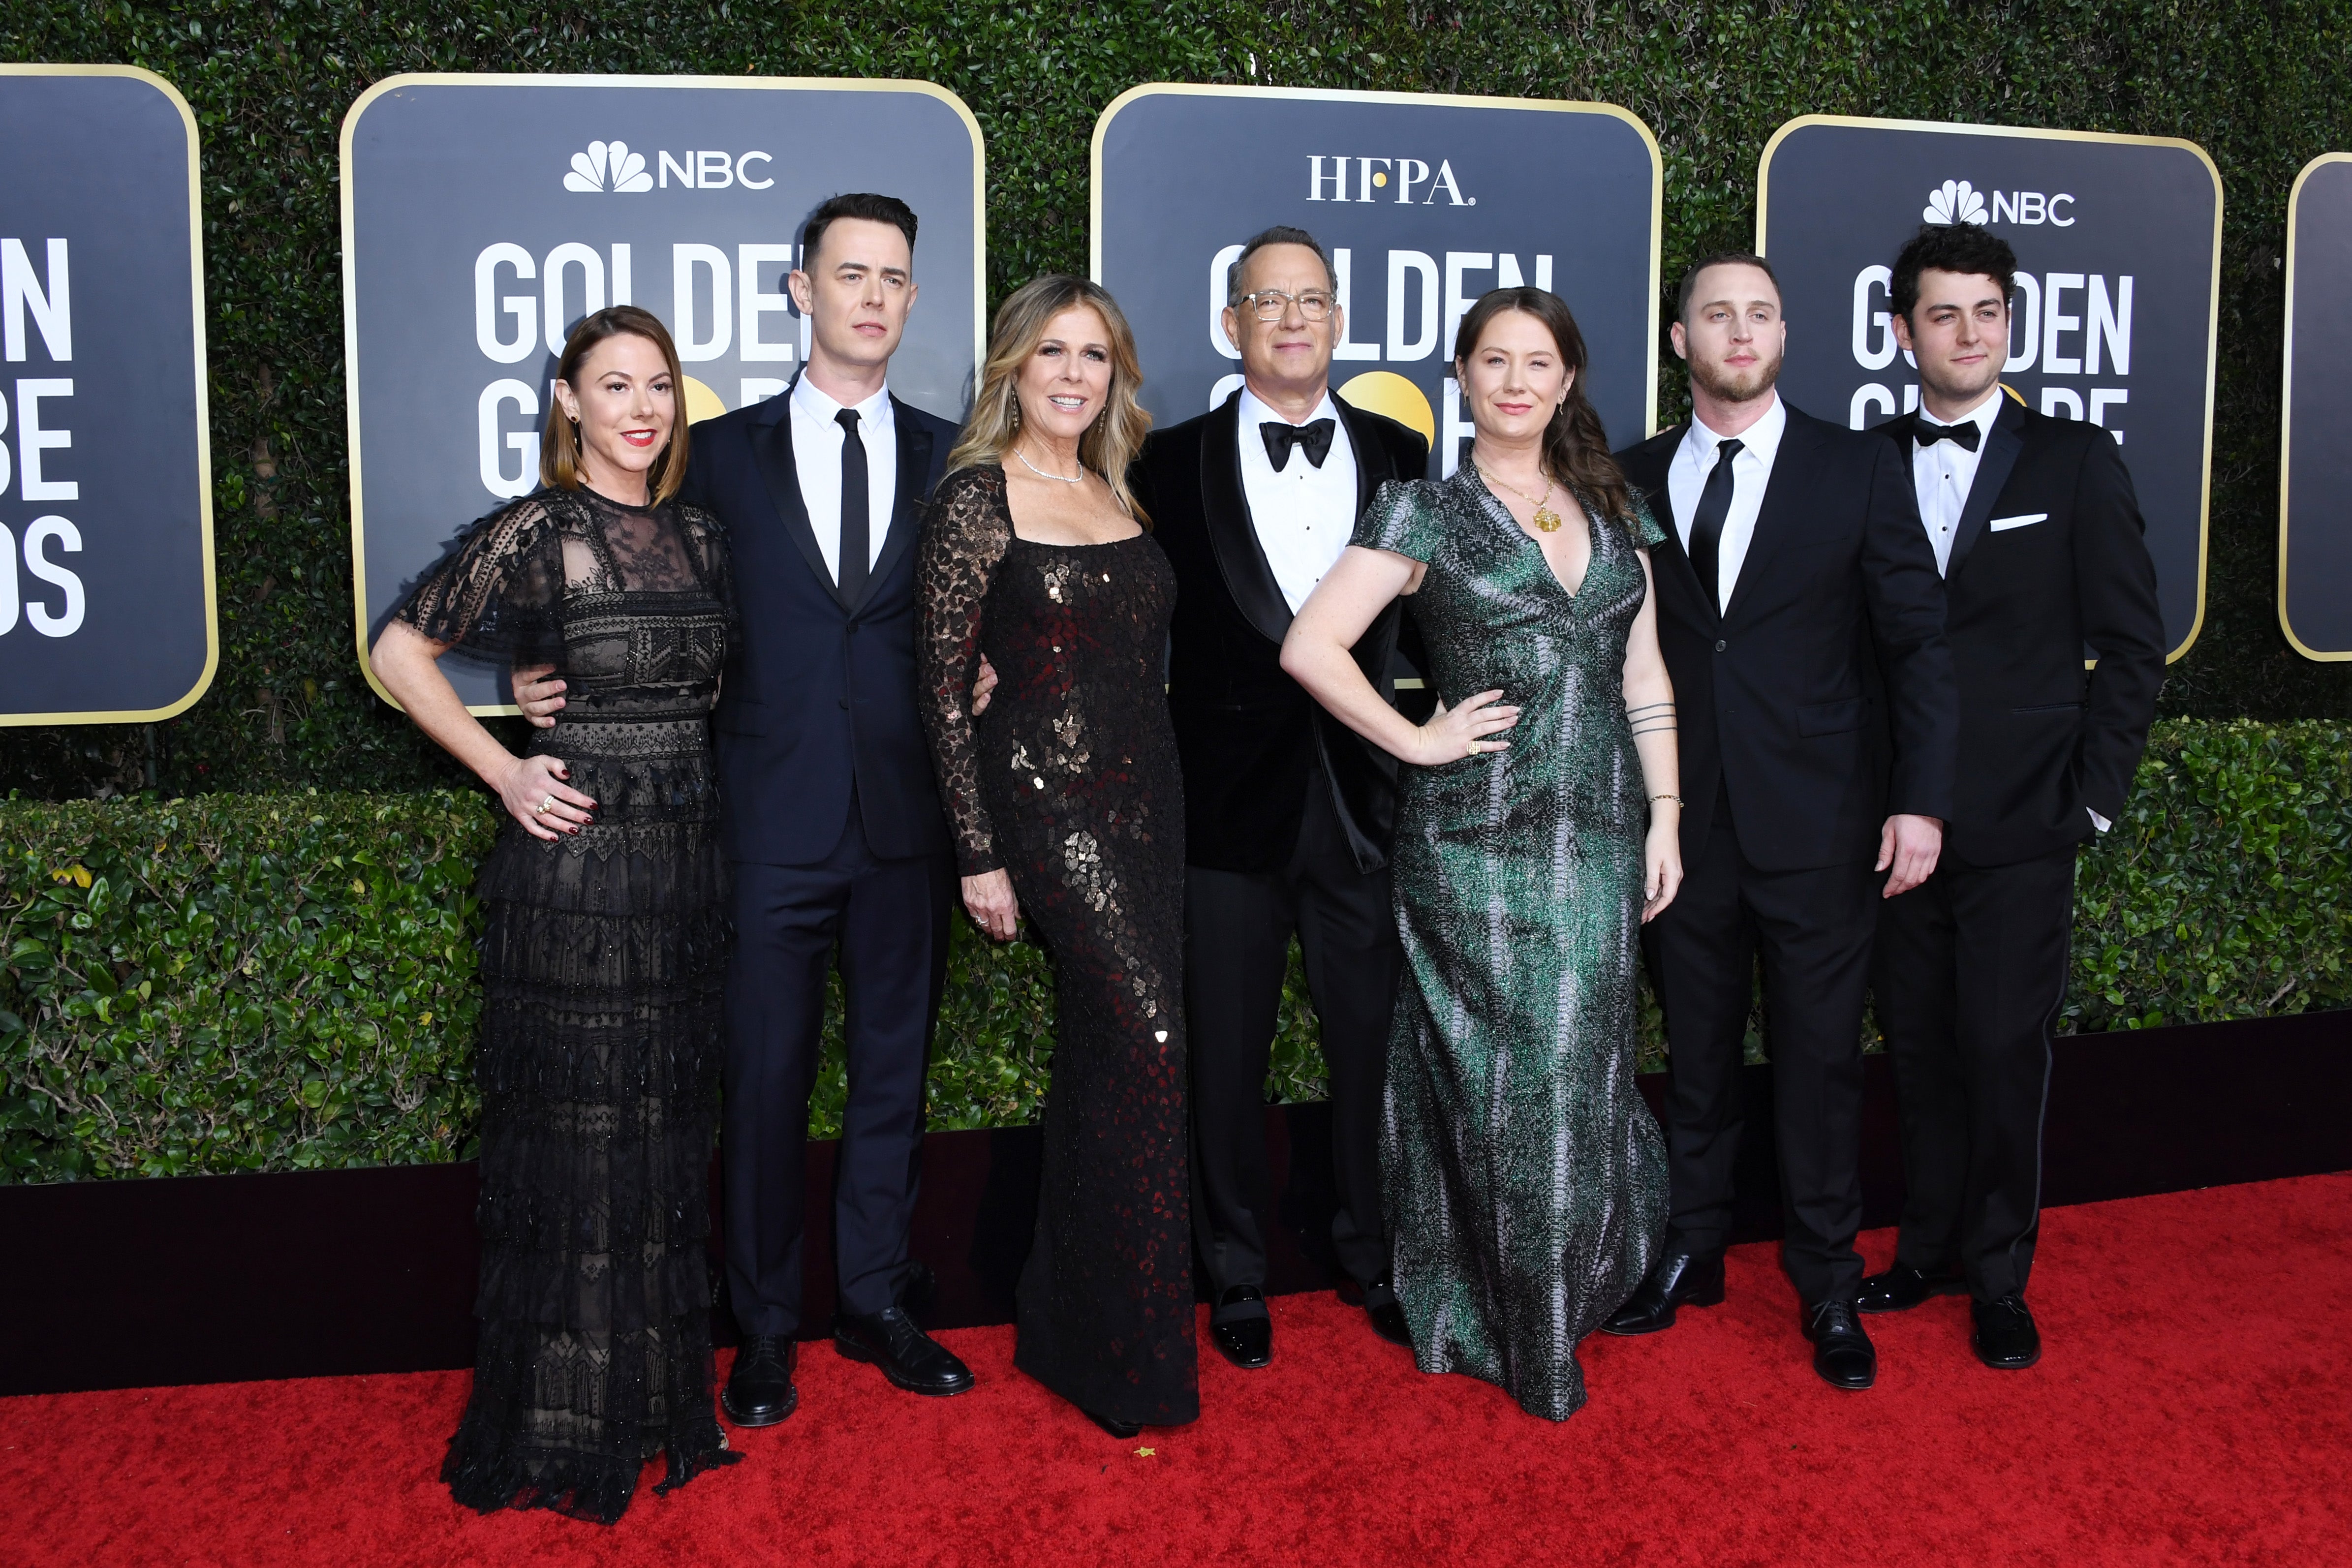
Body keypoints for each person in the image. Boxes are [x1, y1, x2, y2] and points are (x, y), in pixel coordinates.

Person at [524, 193, 973, 1424]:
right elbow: (620, 570)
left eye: (893, 276)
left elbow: (1002, 604)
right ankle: (764, 1327)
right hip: (765, 822)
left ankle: (876, 1300)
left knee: (894, 1078)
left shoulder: (953, 455)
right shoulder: (714, 455)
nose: (872, 296)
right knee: (765, 1083)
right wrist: (533, 661)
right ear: (799, 290)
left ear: (911, 299)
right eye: (849, 274)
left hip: (906, 823)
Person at [1281, 287, 1683, 1422]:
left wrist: (1668, 815)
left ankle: (1560, 1300)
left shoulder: (1613, 509)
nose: (1515, 380)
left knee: (1578, 1069)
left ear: (1566, 382)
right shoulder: (1419, 512)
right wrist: (1416, 736)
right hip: (1473, 837)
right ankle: (1495, 1314)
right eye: (1492, 360)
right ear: (1461, 375)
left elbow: (1644, 674)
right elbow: (1312, 646)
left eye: (1537, 361)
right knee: (1500, 1079)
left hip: (1601, 831)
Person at [372, 306, 740, 1522]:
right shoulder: (541, 529)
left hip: (682, 877)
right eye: (614, 385)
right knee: (582, 1144)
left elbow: (717, 686)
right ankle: (561, 1411)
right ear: (568, 402)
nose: (640, 407)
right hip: (578, 885)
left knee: (658, 1140)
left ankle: (647, 1399)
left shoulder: (697, 533)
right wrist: (504, 765)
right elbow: (398, 652)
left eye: (658, 387)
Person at [1603, 254, 1957, 1392]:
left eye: (1759, 313)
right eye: (1717, 314)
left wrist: (1919, 797)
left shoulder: (1855, 467)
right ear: (1680, 340)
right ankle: (1690, 1249)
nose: (1739, 331)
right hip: (1680, 821)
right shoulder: (1627, 477)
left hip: (1822, 825)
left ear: (1783, 333)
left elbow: (1914, 643)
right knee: (1694, 1058)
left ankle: (1824, 1280)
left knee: (1816, 1065)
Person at [1857, 223, 2165, 1368]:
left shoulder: (2074, 461)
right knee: (1920, 1048)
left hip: (2023, 823)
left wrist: (2086, 803)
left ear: (2009, 322)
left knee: (2001, 1047)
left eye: (1986, 311)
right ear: (1902, 332)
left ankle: (1998, 1274)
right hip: (1891, 825)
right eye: (1943, 313)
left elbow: (2131, 648)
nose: (1967, 332)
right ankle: (1924, 1249)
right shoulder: (1860, 459)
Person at [1127, 225, 1429, 1369]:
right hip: (1220, 808)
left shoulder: (1406, 456)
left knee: (1371, 1047)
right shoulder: (1163, 461)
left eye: (1312, 300)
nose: (1293, 320)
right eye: (1269, 302)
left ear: (1340, 321)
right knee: (1224, 1053)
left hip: (1366, 802)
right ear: (1230, 325)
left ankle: (1376, 1256)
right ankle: (1236, 1271)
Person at [916, 275, 1197, 1440]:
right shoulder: (978, 498)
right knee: (1150, 1041)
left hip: (1151, 807)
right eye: (1052, 355)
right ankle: (1124, 1352)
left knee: (1107, 1061)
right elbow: (939, 687)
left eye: (1094, 355)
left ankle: (1072, 1324)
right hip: (1048, 811)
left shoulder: (1110, 488)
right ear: (1011, 372)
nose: (1074, 375)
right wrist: (978, 853)